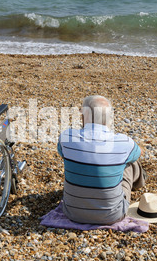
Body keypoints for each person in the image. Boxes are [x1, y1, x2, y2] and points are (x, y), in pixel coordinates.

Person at [57, 95, 146, 224]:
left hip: (72, 212)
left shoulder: (66, 136)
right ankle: (140, 183)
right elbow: (140, 153)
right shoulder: (124, 142)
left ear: (83, 116)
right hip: (113, 215)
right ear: (110, 117)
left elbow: (62, 153)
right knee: (129, 162)